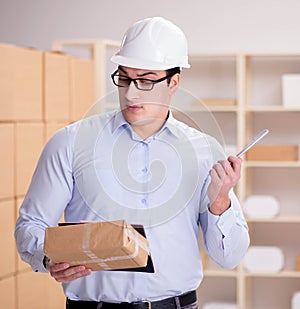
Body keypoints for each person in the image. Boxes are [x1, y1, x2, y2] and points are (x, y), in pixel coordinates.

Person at [15, 16, 250, 309]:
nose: (131, 93)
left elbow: (230, 257)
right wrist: (48, 256)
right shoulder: (69, 142)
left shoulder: (204, 151)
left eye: (146, 81)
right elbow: (31, 225)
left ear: (174, 82)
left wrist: (220, 204)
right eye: (124, 78)